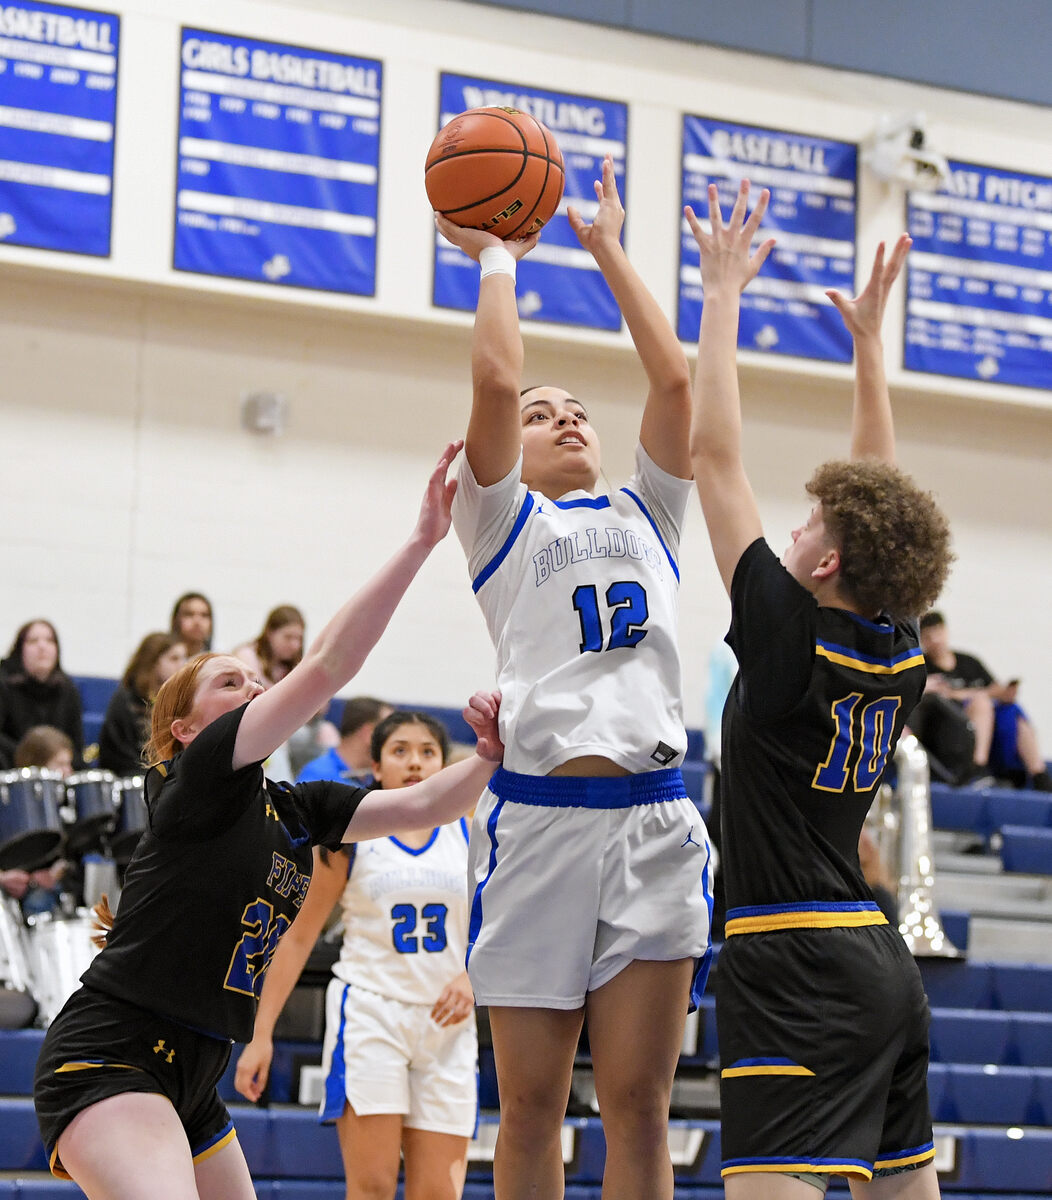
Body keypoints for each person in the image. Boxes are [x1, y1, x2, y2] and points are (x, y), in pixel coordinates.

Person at [32, 443, 506, 1200]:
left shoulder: (292, 808)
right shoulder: (200, 776)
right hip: (114, 1052)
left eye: (255, 680)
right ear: (187, 726)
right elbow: (326, 667)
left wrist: (488, 754)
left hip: (195, 1069)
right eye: (229, 683)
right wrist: (420, 543)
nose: (253, 686)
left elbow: (427, 805)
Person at [436, 153, 713, 1200]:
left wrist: (603, 248)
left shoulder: (651, 514)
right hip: (541, 821)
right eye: (545, 414)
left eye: (577, 411)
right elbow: (497, 380)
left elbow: (675, 379)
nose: (563, 419)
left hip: (651, 821)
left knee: (640, 1109)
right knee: (531, 1114)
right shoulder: (499, 521)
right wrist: (498, 259)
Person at [686, 183, 953, 1197]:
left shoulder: (786, 634)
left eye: (807, 526)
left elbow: (714, 458)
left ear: (828, 566)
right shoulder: (895, 648)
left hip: (790, 959)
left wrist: (720, 294)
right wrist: (869, 356)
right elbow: (874, 500)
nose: (792, 526)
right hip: (879, 969)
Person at [236, 710, 477, 1200]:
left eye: (427, 752)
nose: (415, 763)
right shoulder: (351, 838)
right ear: (377, 766)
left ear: (443, 765)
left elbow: (502, 925)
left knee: (439, 1193)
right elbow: (300, 936)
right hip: (373, 1015)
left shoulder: (469, 832)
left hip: (449, 1026)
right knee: (371, 1187)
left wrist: (475, 976)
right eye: (400, 751)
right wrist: (260, 1034)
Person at [918, 611, 1052, 792]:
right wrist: (972, 694)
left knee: (1012, 710)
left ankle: (1039, 774)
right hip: (950, 731)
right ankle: (977, 767)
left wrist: (1004, 693)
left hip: (988, 729)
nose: (935, 640)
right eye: (928, 636)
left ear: (946, 631)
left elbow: (995, 689)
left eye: (938, 632)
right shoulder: (922, 667)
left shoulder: (969, 661)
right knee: (981, 701)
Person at [98, 633, 188, 777]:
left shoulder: (178, 701)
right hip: (131, 779)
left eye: (184, 658)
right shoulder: (125, 700)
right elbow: (120, 757)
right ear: (153, 662)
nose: (182, 665)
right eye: (174, 659)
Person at [0, 621, 84, 770]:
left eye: (50, 640)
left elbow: (76, 744)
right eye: (33, 641)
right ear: (20, 649)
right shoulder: (4, 684)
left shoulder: (68, 689)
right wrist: (35, 760)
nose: (42, 646)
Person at [296, 696, 393, 785]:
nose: (395, 738)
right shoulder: (318, 777)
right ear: (369, 733)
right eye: (390, 731)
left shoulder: (373, 777)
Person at [232, 605, 305, 689]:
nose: (295, 645)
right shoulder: (247, 656)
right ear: (270, 633)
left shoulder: (291, 665)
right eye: (288, 637)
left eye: (299, 638)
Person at [170, 593, 214, 659]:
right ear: (176, 620)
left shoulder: (220, 659)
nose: (197, 621)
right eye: (189, 614)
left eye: (204, 615)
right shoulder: (164, 660)